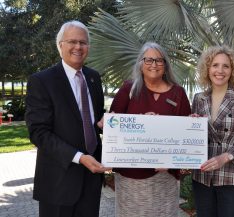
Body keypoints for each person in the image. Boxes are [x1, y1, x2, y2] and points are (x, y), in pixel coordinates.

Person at [25, 20, 110, 217]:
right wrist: (79, 157)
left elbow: (94, 120)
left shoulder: (94, 78)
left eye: (83, 42)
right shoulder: (41, 81)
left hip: (91, 178)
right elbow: (39, 133)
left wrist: (102, 123)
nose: (78, 47)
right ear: (60, 45)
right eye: (72, 41)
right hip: (58, 182)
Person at [109, 42, 191, 217]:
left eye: (159, 60)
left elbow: (186, 137)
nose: (154, 64)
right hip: (131, 176)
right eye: (148, 60)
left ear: (165, 65)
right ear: (140, 63)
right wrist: (141, 124)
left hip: (165, 176)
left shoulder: (178, 93)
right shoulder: (128, 89)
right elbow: (113, 129)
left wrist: (193, 124)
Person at [191, 45, 234, 217]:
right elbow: (194, 136)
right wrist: (191, 126)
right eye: (215, 65)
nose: (220, 70)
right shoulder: (199, 98)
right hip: (202, 176)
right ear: (207, 69)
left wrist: (225, 157)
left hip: (232, 177)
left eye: (225, 66)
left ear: (232, 70)